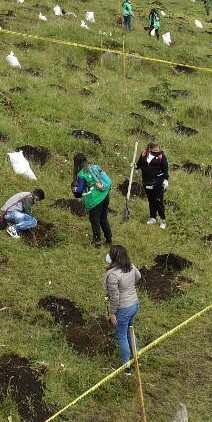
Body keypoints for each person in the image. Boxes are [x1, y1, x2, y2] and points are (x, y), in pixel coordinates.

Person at [103, 245, 142, 374]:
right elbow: (138, 276)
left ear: (114, 257)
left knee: (121, 336)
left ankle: (126, 368)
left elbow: (114, 297)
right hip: (134, 304)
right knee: (130, 331)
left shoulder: (113, 275)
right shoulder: (131, 266)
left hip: (123, 308)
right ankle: (135, 358)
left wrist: (112, 313)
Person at [72, 153, 112, 247]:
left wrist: (74, 189)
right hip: (105, 195)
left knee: (94, 220)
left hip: (95, 199)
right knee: (103, 218)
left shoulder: (82, 173)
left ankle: (97, 241)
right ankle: (109, 239)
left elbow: (80, 190)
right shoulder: (94, 166)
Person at [136, 142, 169, 227]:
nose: (157, 151)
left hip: (158, 182)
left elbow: (165, 169)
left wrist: (165, 180)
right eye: (155, 150)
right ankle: (152, 217)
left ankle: (163, 221)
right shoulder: (144, 154)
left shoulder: (161, 156)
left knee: (158, 201)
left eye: (158, 150)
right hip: (146, 181)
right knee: (151, 200)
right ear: (150, 149)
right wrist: (134, 166)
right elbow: (139, 164)